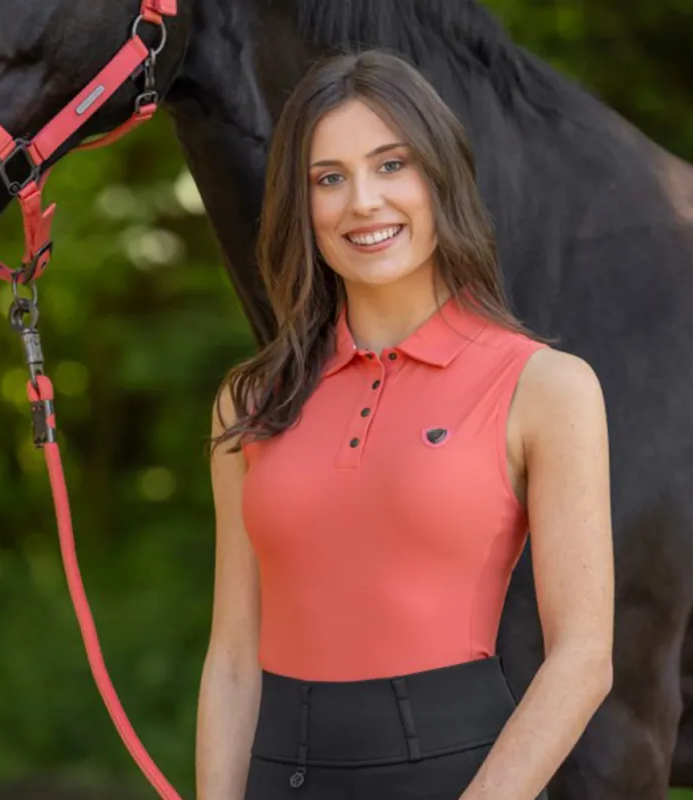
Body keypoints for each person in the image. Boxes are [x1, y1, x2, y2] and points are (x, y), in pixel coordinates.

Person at [198, 49, 614, 800]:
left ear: (440, 177)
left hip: (466, 778)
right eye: (329, 178)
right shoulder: (252, 401)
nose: (363, 202)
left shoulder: (546, 387)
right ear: (304, 204)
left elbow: (583, 655)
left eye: (391, 165)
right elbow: (231, 657)